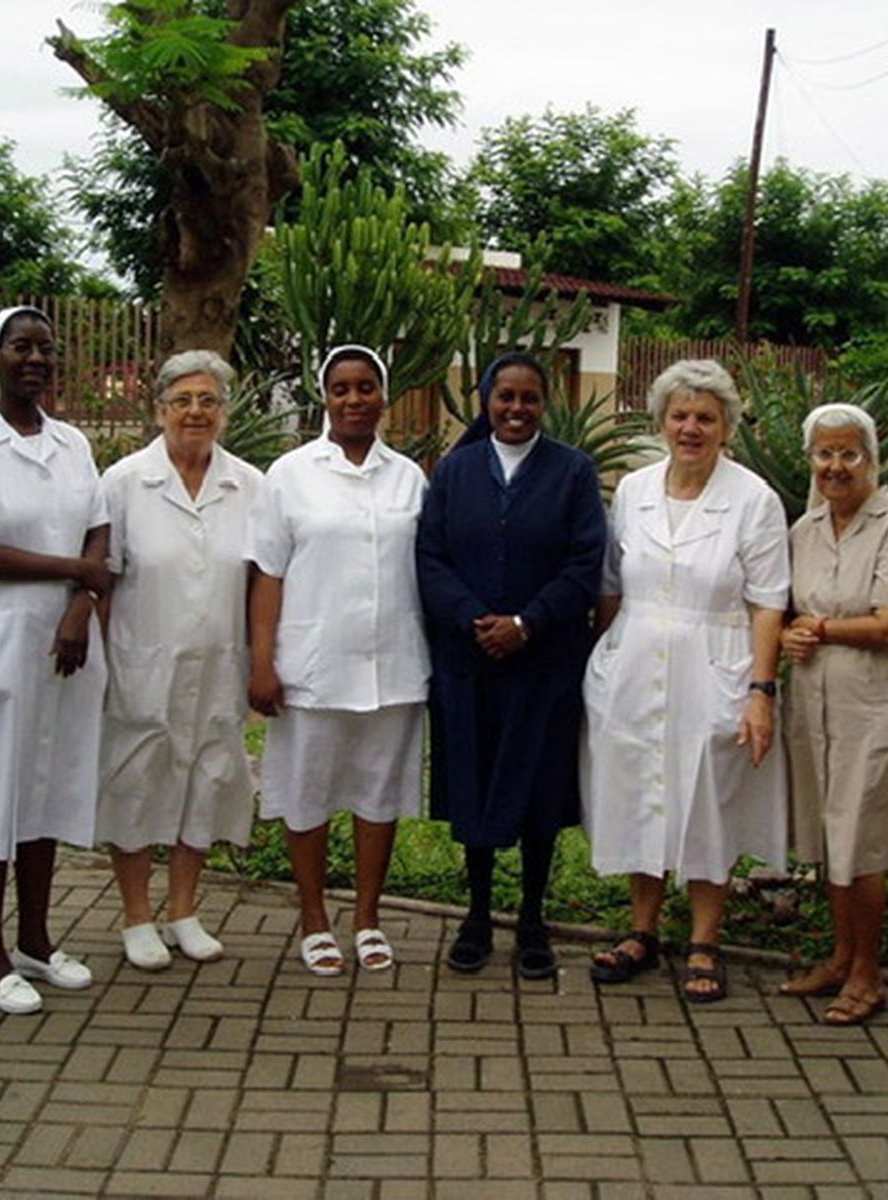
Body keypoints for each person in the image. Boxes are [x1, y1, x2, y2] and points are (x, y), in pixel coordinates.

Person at [582, 359, 789, 1003]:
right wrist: (597, 656)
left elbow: (769, 602)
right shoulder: (636, 489)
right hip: (634, 661)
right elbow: (613, 585)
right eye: (680, 415)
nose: (690, 427)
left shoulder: (753, 499)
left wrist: (760, 691)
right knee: (642, 791)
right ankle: (642, 931)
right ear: (661, 421)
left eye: (705, 416)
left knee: (706, 800)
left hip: (716, 662)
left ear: (727, 424)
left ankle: (704, 939)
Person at [0, 306, 111, 1016]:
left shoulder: (72, 443)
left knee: (46, 789)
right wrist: (75, 571)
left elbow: (100, 526)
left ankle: (36, 939)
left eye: (45, 348)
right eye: (20, 347)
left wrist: (78, 607)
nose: (35, 359)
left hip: (68, 644)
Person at [416, 352, 605, 978]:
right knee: (474, 783)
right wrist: (475, 619)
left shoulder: (573, 472)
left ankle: (531, 919)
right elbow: (430, 557)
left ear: (544, 403)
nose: (516, 409)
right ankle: (475, 916)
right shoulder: (455, 471)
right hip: (467, 660)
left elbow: (585, 563)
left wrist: (528, 622)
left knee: (538, 792)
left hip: (544, 661)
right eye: (505, 398)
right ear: (486, 402)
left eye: (528, 398)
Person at [246, 345, 428, 976]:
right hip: (312, 666)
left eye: (366, 387)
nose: (355, 399)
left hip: (394, 664)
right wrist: (262, 661)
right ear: (324, 397)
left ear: (384, 394)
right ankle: (314, 917)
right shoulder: (289, 474)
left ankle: (368, 916)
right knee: (308, 794)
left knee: (379, 793)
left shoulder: (409, 477)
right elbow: (267, 574)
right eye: (341, 388)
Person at [97, 350, 261, 969]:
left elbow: (262, 581)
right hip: (142, 662)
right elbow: (101, 581)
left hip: (222, 659)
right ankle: (136, 915)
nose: (196, 412)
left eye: (208, 400)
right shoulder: (123, 483)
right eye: (183, 400)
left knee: (209, 776)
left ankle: (184, 910)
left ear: (224, 410)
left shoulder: (250, 485)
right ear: (159, 408)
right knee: (138, 779)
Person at [778, 403, 888, 1025]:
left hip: (876, 710)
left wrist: (816, 627)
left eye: (849, 454)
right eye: (824, 454)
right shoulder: (805, 530)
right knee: (827, 837)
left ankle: (869, 975)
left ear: (872, 460)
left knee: (860, 844)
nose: (835, 467)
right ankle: (840, 958)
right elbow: (791, 611)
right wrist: (792, 635)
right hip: (815, 707)